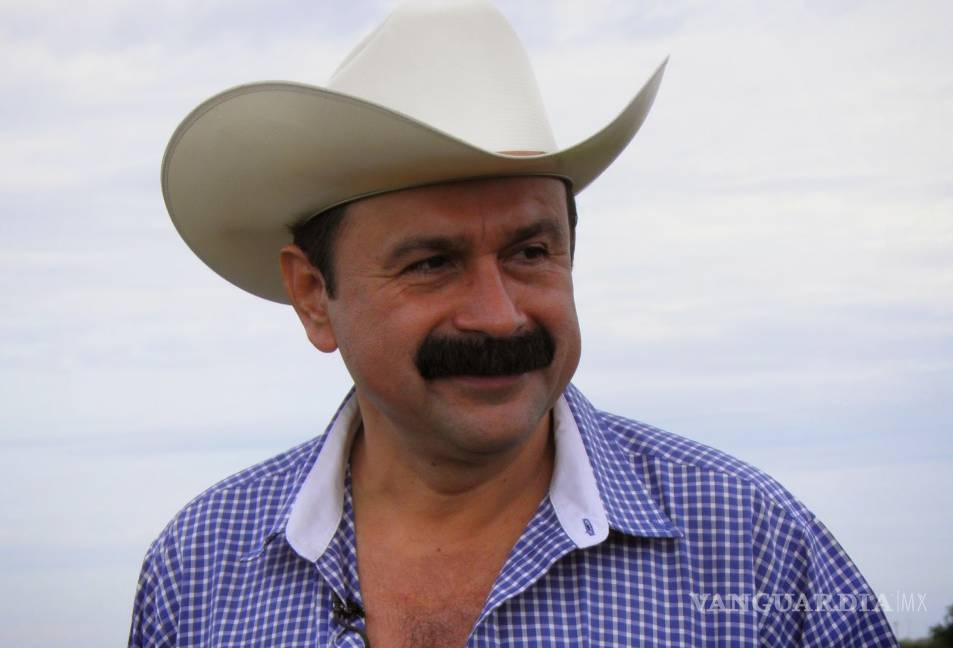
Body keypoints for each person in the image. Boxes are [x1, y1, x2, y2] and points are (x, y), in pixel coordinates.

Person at [129, 1, 898, 646]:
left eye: (530, 253)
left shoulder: (753, 547)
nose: (499, 316)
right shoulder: (196, 570)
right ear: (311, 296)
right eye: (431, 262)